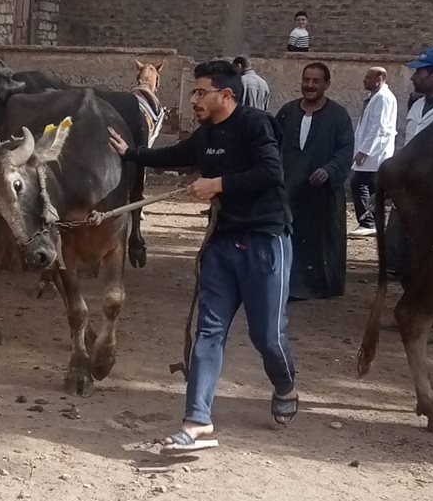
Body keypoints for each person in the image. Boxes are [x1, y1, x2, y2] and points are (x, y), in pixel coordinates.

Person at [108, 59, 296, 453]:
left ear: (226, 95)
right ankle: (196, 422)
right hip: (222, 243)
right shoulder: (206, 134)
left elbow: (271, 173)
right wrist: (131, 154)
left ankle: (284, 384)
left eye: (200, 92)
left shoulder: (254, 124)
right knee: (208, 332)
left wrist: (217, 184)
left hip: (265, 240)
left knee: (266, 336)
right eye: (193, 91)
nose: (193, 99)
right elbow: (175, 154)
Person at [274, 63, 354, 300]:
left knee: (320, 240)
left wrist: (329, 170)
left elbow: (345, 150)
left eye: (316, 81)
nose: (309, 85)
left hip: (322, 194)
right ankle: (289, 285)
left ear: (326, 84)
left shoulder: (338, 116)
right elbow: (273, 144)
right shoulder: (287, 112)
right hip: (290, 189)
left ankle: (318, 286)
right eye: (306, 80)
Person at [350, 67, 397, 236]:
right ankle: (375, 222)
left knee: (359, 183)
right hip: (373, 151)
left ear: (380, 79)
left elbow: (379, 126)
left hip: (375, 152)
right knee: (371, 186)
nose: (365, 80)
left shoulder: (383, 98)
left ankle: (368, 222)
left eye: (368, 77)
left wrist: (364, 151)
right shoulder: (374, 97)